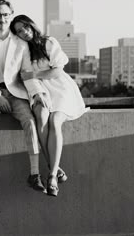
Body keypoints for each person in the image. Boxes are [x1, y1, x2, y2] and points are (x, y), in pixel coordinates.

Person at [0, 0, 47, 199]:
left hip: (15, 92)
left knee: (30, 121)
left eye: (5, 15)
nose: (2, 18)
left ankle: (34, 174)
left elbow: (27, 73)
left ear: (10, 16)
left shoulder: (21, 44)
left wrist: (37, 93)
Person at [10, 15, 90, 197]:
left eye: (26, 27)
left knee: (55, 121)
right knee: (42, 118)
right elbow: (23, 76)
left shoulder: (48, 43)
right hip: (41, 90)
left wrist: (34, 74)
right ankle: (55, 166)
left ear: (32, 25)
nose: (25, 32)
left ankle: (52, 176)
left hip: (60, 88)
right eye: (20, 31)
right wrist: (35, 86)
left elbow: (57, 70)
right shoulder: (22, 51)